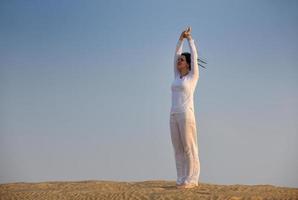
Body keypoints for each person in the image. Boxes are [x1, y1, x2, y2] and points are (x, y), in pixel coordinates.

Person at [169, 26, 200, 189]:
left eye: (181, 59)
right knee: (177, 148)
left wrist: (189, 40)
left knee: (189, 147)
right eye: (178, 60)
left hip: (186, 114)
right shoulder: (176, 77)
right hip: (173, 114)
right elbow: (174, 54)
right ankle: (181, 178)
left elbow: (194, 56)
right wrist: (180, 38)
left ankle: (192, 179)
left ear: (188, 64)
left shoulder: (192, 77)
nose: (178, 61)